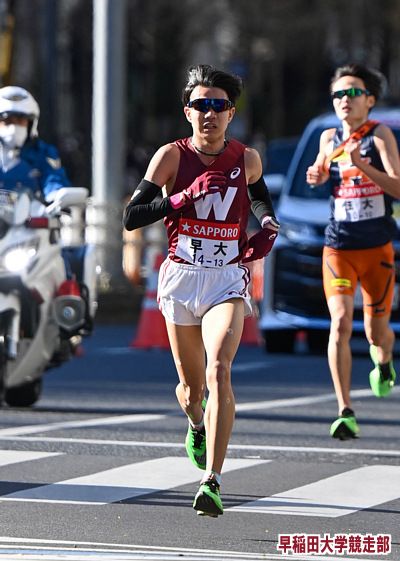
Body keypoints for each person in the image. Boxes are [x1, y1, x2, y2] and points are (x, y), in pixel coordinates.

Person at [124, 64, 279, 516]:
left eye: (218, 106)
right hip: (182, 276)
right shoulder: (170, 157)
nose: (209, 114)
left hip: (226, 278)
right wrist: (182, 196)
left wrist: (268, 225)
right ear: (187, 112)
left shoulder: (247, 158)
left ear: (231, 113)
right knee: (192, 391)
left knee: (219, 371)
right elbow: (132, 217)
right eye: (200, 105)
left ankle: (211, 480)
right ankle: (195, 423)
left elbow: (259, 197)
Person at [306, 63, 400, 440]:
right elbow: (319, 169)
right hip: (339, 246)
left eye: (354, 92)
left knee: (376, 333)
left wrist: (363, 166)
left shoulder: (380, 135)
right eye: (339, 94)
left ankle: (385, 359)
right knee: (341, 322)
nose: (345, 99)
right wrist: (316, 175)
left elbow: (398, 187)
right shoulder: (328, 137)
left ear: (370, 100)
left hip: (376, 248)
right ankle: (344, 410)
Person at [0, 85, 70, 198]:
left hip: (32, 209)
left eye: (20, 121)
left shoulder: (43, 152)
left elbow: (54, 180)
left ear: (31, 124)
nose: (14, 128)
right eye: (7, 121)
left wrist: (57, 195)